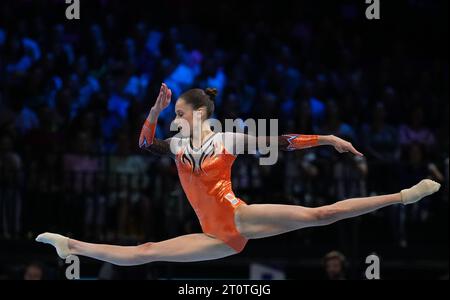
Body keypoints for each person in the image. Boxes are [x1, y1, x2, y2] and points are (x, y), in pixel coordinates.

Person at [36, 83, 441, 266]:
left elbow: (282, 141)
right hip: (216, 237)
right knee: (146, 252)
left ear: (198, 114)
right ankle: (71, 245)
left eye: (177, 114)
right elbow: (143, 144)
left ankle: (404, 195)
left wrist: (328, 138)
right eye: (172, 116)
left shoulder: (229, 139)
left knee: (320, 214)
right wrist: (155, 111)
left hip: (236, 217)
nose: (174, 121)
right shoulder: (177, 145)